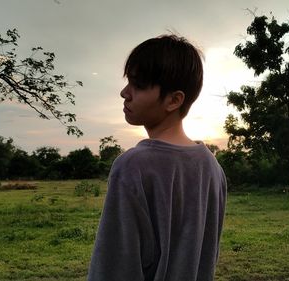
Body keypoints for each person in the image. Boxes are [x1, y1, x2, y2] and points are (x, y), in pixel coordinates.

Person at [87, 34, 227, 281]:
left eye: (138, 85)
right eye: (128, 82)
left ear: (174, 100)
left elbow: (114, 267)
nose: (124, 93)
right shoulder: (213, 167)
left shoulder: (132, 167)